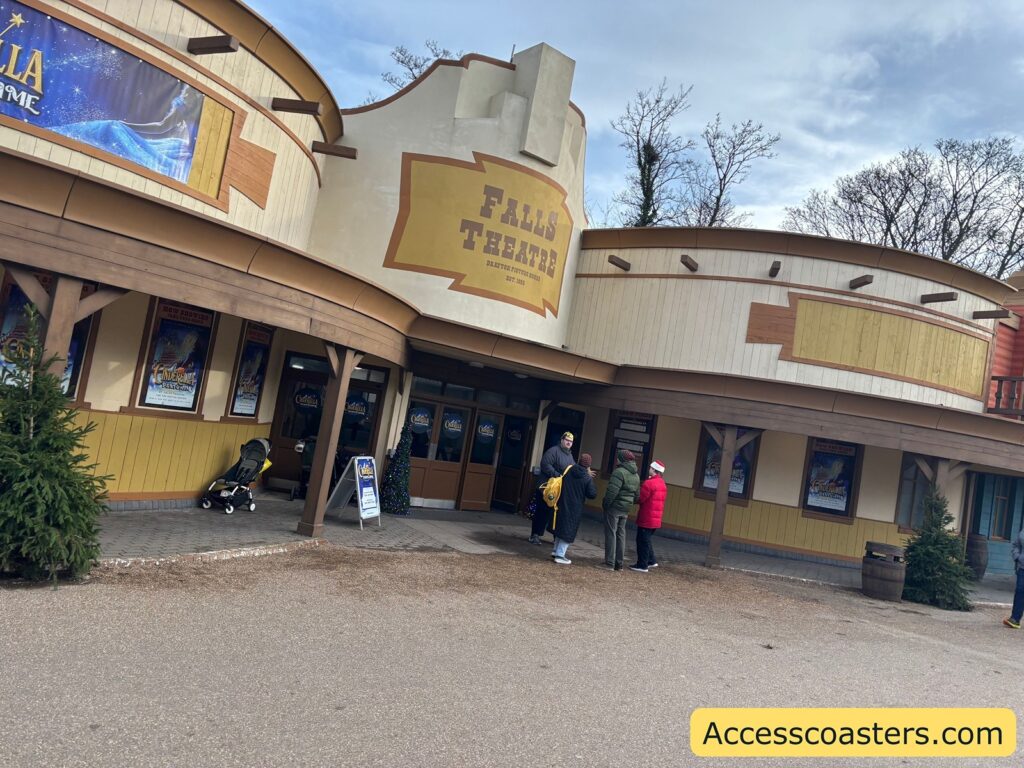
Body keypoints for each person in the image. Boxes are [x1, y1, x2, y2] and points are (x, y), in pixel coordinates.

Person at [529, 431, 576, 544]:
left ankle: (556, 538)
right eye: (567, 440)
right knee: (542, 511)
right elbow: (545, 465)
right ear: (562, 440)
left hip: (558, 490)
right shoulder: (553, 451)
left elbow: (572, 469)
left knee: (555, 514)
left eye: (571, 441)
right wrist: (557, 474)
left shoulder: (570, 456)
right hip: (546, 487)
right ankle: (535, 535)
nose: (569, 443)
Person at [550, 453, 598, 565]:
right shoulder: (587, 478)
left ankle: (555, 550)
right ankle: (560, 555)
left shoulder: (568, 470)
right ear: (588, 465)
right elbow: (592, 494)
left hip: (562, 502)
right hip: (575, 507)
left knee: (560, 527)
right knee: (568, 531)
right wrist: (590, 479)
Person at [602, 449, 640, 571]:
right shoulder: (636, 475)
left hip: (615, 507)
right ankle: (619, 563)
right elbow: (637, 496)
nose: (617, 459)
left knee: (611, 534)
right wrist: (629, 502)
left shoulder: (619, 472)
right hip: (626, 508)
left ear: (622, 459)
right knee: (621, 535)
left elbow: (611, 492)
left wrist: (606, 504)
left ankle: (609, 563)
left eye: (618, 458)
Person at [630, 460, 667, 573]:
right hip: (656, 518)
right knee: (647, 540)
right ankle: (651, 560)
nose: (649, 469)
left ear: (654, 470)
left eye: (651, 467)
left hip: (647, 517)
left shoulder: (649, 483)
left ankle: (642, 565)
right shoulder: (662, 483)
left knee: (642, 541)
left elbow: (641, 498)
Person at [1003, 527, 1024, 628]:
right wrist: (1017, 556)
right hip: (1023, 567)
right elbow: (1016, 545)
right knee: (1020, 591)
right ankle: (1015, 619)